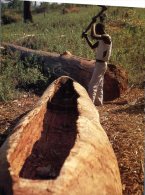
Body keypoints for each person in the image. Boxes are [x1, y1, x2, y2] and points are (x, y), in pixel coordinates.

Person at [82, 21, 112, 106]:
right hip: (100, 64)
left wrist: (92, 24)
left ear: (100, 29)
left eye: (97, 30)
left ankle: (90, 105)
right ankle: (98, 102)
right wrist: (86, 37)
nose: (97, 32)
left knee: (92, 85)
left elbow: (93, 35)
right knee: (99, 84)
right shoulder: (101, 39)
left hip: (101, 64)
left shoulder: (106, 37)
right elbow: (92, 46)